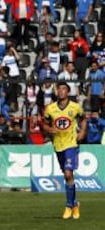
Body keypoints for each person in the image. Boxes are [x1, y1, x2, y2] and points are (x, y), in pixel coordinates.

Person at [43, 82, 87, 220]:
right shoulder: (50, 108)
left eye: (64, 89)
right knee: (66, 175)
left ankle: (68, 206)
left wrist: (83, 132)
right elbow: (44, 123)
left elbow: (84, 119)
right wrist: (49, 129)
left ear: (68, 92)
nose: (61, 91)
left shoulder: (75, 107)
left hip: (71, 144)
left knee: (68, 174)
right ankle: (75, 204)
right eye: (59, 89)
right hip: (58, 145)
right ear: (56, 92)